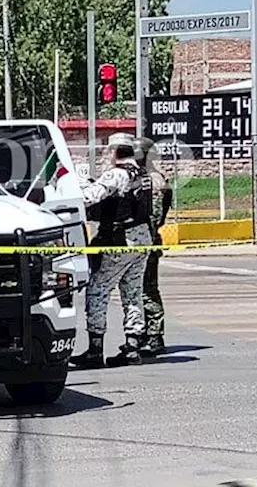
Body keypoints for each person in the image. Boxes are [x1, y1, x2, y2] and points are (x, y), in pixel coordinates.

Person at [70, 134, 153, 369]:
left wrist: (75, 189)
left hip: (121, 241)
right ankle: (133, 346)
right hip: (142, 238)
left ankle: (95, 350)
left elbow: (89, 198)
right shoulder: (142, 174)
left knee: (97, 289)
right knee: (132, 291)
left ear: (115, 151)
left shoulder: (116, 173)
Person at [134, 137, 172, 357]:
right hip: (140, 242)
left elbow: (155, 218)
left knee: (148, 290)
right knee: (137, 291)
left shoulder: (154, 181)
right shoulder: (143, 178)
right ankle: (142, 334)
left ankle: (155, 336)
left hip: (147, 242)